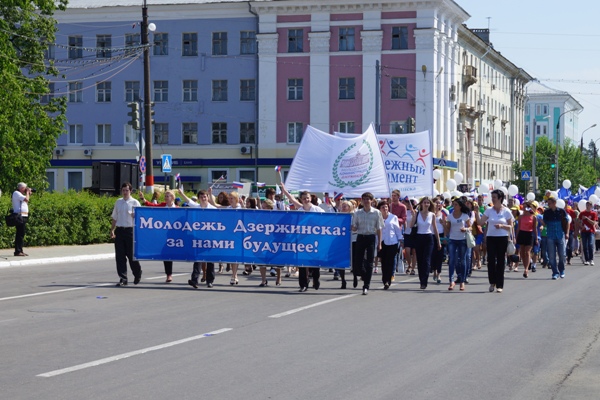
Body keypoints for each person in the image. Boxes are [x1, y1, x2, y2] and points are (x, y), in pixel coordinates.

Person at [281, 182, 324, 292]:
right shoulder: (300, 210)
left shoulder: (318, 210)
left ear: (311, 198)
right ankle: (303, 284)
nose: (306, 200)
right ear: (301, 199)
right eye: (304, 198)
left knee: (314, 262)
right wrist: (285, 191)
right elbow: (291, 199)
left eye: (307, 198)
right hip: (302, 240)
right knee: (302, 263)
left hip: (315, 240)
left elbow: (327, 221)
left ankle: (315, 279)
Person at [474, 189, 513, 293]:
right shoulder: (489, 210)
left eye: (494, 197)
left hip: (502, 237)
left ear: (500, 198)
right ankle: (492, 282)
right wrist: (476, 213)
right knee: (490, 260)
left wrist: (502, 226)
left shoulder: (506, 211)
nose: (493, 199)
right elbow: (480, 223)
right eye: (492, 197)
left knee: (500, 261)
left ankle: (500, 285)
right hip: (491, 237)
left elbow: (511, 226)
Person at [178, 188, 218, 288]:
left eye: (205, 197)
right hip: (198, 238)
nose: (203, 198)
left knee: (210, 260)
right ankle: (194, 280)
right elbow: (188, 201)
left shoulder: (213, 209)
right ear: (199, 198)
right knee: (197, 259)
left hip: (210, 238)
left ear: (207, 197)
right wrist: (182, 194)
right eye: (201, 197)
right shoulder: (196, 207)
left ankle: (210, 280)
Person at [140, 190, 178, 283]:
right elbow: (152, 206)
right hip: (164, 234)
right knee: (167, 253)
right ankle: (169, 274)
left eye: (168, 196)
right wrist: (143, 199)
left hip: (175, 235)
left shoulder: (178, 208)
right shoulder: (163, 206)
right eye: (165, 196)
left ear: (173, 197)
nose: (166, 198)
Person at [110, 182, 143, 286]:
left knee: (131, 255)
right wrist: (112, 229)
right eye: (123, 190)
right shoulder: (118, 202)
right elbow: (115, 217)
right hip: (120, 230)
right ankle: (123, 278)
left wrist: (135, 215)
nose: (125, 192)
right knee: (120, 256)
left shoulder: (135, 202)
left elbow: (141, 218)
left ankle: (137, 273)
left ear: (130, 191)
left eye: (127, 190)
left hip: (130, 231)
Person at [351, 192, 384, 295]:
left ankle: (366, 285)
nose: (366, 201)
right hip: (360, 236)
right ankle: (365, 275)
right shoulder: (357, 213)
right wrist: (353, 228)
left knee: (369, 262)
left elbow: (379, 228)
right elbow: (354, 226)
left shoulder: (376, 213)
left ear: (372, 201)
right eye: (364, 199)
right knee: (358, 261)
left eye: (368, 199)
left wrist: (379, 243)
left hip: (370, 237)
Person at [407, 197, 442, 290]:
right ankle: (421, 280)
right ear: (421, 204)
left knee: (426, 260)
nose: (426, 204)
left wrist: (438, 241)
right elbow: (411, 225)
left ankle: (424, 281)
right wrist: (413, 216)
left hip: (429, 238)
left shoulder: (432, 215)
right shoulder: (417, 214)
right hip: (419, 237)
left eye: (428, 203)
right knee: (420, 260)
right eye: (425, 203)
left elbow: (435, 229)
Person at [445, 198, 471, 291]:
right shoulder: (450, 216)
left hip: (462, 239)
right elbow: (448, 229)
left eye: (456, 204)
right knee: (452, 260)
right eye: (453, 204)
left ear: (460, 206)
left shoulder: (465, 216)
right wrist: (444, 224)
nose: (454, 206)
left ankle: (462, 281)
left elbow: (470, 227)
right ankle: (451, 281)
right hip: (452, 239)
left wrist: (466, 229)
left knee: (462, 261)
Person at [377, 200, 403, 290]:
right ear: (379, 209)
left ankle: (388, 280)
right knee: (384, 262)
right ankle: (385, 279)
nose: (385, 209)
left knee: (390, 262)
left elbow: (397, 230)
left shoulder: (393, 217)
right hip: (382, 242)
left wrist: (401, 239)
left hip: (392, 242)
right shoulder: (378, 217)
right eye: (383, 207)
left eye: (386, 207)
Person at [542, 195, 569, 279]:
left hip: (560, 235)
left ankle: (562, 270)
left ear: (554, 203)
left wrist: (567, 233)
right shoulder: (546, 212)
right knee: (551, 256)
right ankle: (555, 272)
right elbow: (545, 223)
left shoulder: (561, 211)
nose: (548, 205)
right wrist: (542, 222)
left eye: (549, 203)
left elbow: (567, 222)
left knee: (562, 254)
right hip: (550, 236)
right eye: (548, 203)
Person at [516, 202, 538, 278]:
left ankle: (526, 269)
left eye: (525, 207)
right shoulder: (520, 217)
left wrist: (536, 238)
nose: (524, 208)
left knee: (527, 252)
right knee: (522, 252)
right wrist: (516, 237)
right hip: (522, 233)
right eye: (523, 207)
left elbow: (535, 229)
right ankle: (525, 266)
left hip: (530, 234)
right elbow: (518, 227)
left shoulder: (533, 217)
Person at [12, 182, 31, 256]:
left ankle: (20, 250)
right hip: (19, 216)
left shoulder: (20, 194)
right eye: (24, 188)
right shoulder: (16, 193)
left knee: (21, 234)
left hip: (23, 215)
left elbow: (25, 202)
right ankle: (17, 251)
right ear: (21, 188)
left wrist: (27, 194)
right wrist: (27, 193)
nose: (25, 189)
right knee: (19, 234)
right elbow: (26, 199)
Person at [578, 201, 597, 265]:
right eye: (587, 205)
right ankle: (587, 260)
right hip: (584, 231)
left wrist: (587, 219)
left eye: (589, 205)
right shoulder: (582, 213)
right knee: (585, 246)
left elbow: (593, 223)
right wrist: (581, 226)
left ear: (591, 206)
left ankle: (591, 259)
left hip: (591, 231)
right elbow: (579, 221)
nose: (587, 206)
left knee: (590, 244)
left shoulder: (593, 213)